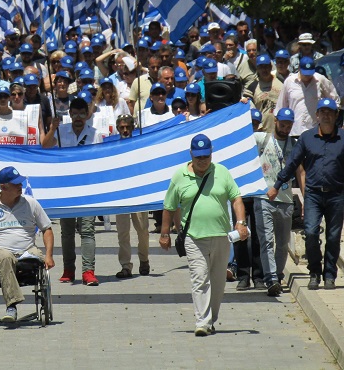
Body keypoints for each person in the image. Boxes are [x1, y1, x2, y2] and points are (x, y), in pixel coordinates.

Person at [160, 134, 247, 336]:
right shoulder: (179, 176)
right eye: (198, 157)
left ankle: (211, 318)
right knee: (199, 278)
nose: (202, 161)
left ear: (211, 153)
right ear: (191, 154)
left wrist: (241, 223)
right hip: (194, 237)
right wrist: (165, 233)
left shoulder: (222, 172)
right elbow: (169, 206)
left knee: (217, 282)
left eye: (206, 156)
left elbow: (236, 199)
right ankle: (202, 322)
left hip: (221, 237)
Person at [268, 98, 344, 290]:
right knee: (310, 232)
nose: (326, 115)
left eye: (330, 112)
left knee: (334, 237)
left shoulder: (343, 138)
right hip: (313, 195)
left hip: (337, 195)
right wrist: (277, 184)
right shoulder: (306, 138)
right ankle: (314, 272)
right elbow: (293, 162)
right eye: (322, 112)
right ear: (317, 115)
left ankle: (329, 274)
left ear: (336, 116)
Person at [0, 166, 55, 322]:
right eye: (16, 184)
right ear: (3, 187)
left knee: (36, 258)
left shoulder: (31, 204)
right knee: (6, 256)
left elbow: (47, 229)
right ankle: (12, 305)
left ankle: (14, 300)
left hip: (27, 249)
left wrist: (49, 256)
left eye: (21, 183)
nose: (20, 187)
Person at [42, 97, 102, 286]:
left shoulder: (95, 134)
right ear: (70, 114)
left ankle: (88, 271)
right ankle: (68, 269)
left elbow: (101, 161)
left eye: (81, 114)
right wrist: (52, 128)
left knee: (87, 231)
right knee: (67, 232)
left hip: (87, 189)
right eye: (74, 113)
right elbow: (45, 145)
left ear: (87, 115)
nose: (78, 117)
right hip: (66, 189)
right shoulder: (60, 131)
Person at [253, 108, 301, 295]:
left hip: (286, 199)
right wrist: (243, 107)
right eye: (283, 124)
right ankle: (271, 279)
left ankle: (278, 275)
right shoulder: (262, 139)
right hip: (264, 198)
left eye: (289, 125)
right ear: (275, 120)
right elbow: (242, 135)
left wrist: (302, 198)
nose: (286, 127)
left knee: (282, 243)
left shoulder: (295, 144)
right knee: (266, 240)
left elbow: (300, 172)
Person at [114, 114, 150, 278]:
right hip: (121, 195)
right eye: (122, 127)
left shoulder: (140, 144)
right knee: (123, 232)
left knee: (142, 230)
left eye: (128, 127)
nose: (125, 130)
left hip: (138, 194)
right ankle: (126, 265)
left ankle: (144, 260)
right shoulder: (112, 146)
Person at [274, 56, 339, 137]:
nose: (307, 76)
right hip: (294, 131)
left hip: (315, 132)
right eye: (305, 73)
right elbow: (281, 107)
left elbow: (335, 101)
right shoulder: (289, 82)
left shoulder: (320, 80)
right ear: (299, 69)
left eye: (310, 73)